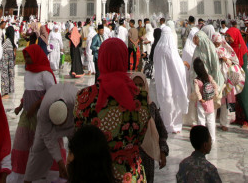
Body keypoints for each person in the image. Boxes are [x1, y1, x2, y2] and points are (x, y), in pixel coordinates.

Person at [73, 37, 150, 182]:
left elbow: (78, 138)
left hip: (95, 172)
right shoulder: (141, 99)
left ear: (101, 60)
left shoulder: (84, 98)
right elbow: (140, 136)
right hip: (131, 174)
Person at [11, 44, 57, 179]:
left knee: (40, 143)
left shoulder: (45, 73)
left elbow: (52, 92)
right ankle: (22, 168)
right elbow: (27, 92)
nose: (27, 59)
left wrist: (36, 104)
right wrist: (21, 106)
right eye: (25, 56)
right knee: (22, 140)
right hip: (27, 114)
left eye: (29, 56)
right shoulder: (29, 72)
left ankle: (42, 169)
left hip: (41, 115)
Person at [24, 82, 79, 183]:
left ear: (68, 110)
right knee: (37, 149)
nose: (60, 127)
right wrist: (60, 162)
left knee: (78, 150)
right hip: (47, 125)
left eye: (62, 123)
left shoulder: (77, 101)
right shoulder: (44, 111)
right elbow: (49, 138)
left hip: (72, 125)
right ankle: (28, 180)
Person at [130, 72, 169, 183]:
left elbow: (162, 132)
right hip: (131, 156)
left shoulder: (151, 106)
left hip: (148, 156)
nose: (138, 88)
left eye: (141, 85)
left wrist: (163, 152)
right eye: (135, 84)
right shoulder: (126, 107)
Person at [151, 25, 187, 136]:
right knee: (173, 102)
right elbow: (177, 66)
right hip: (172, 80)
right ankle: (174, 125)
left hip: (161, 80)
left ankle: (166, 124)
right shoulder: (170, 48)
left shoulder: (158, 47)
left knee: (164, 101)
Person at [223, 25, 248, 128]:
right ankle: (239, 118)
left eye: (229, 36)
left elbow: (242, 65)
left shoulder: (241, 47)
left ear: (235, 36)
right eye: (227, 36)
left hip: (242, 77)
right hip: (234, 76)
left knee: (244, 98)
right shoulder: (232, 47)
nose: (228, 39)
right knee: (237, 99)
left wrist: (232, 65)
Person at [191, 58, 217, 144]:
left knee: (201, 120)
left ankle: (202, 139)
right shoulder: (208, 77)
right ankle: (212, 138)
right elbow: (215, 85)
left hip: (201, 102)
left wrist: (200, 99)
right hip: (210, 101)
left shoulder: (196, 80)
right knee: (211, 120)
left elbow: (197, 91)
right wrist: (215, 93)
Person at [0, 26, 17, 98]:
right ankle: (10, 89)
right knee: (10, 74)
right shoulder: (12, 41)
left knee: (5, 75)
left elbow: (1, 48)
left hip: (5, 62)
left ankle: (5, 91)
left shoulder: (7, 41)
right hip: (11, 61)